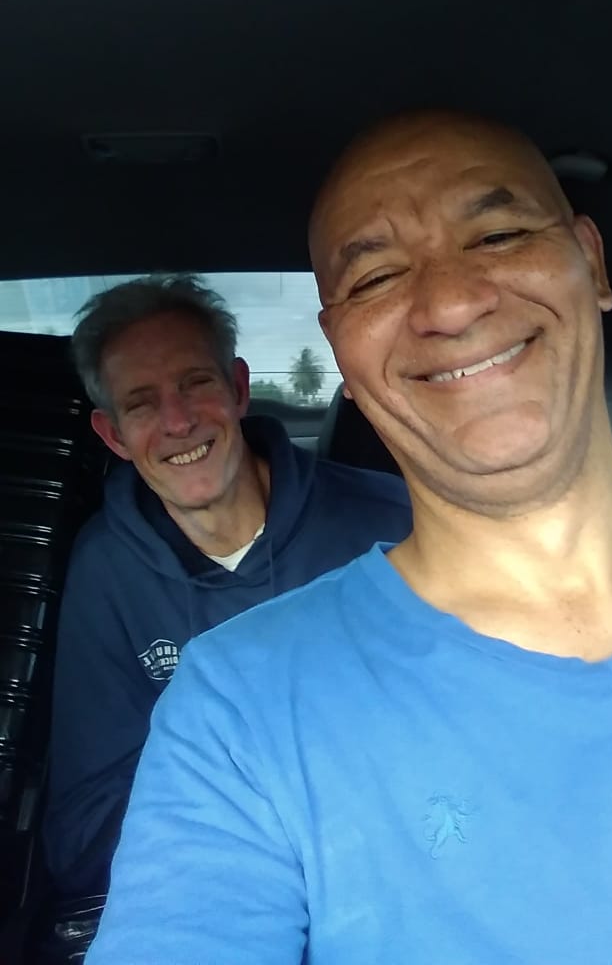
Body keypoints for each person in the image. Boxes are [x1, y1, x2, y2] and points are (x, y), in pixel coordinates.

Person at [86, 114, 612, 964]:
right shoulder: (234, 706)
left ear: (591, 263)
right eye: (378, 276)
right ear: (340, 352)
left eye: (497, 235)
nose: (451, 302)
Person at [43, 273, 411, 903]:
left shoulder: (393, 520)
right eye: (142, 404)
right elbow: (81, 838)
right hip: (229, 896)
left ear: (238, 389)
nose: (178, 420)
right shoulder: (108, 572)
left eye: (196, 384)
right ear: (113, 436)